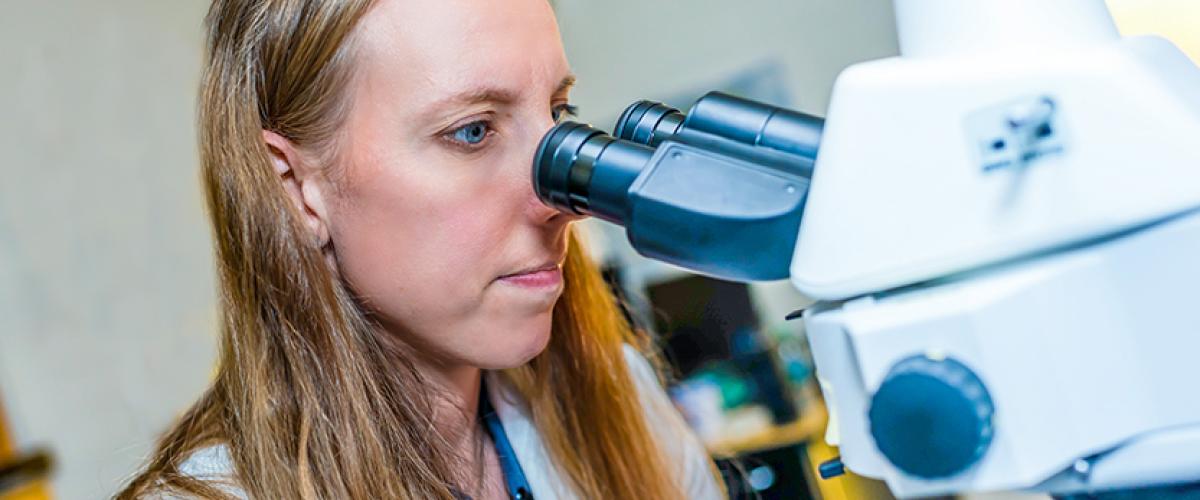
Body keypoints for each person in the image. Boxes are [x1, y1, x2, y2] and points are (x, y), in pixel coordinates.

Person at [116, 0, 725, 498]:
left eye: (558, 113)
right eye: (473, 131)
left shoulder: (624, 404)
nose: (561, 200)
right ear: (298, 189)